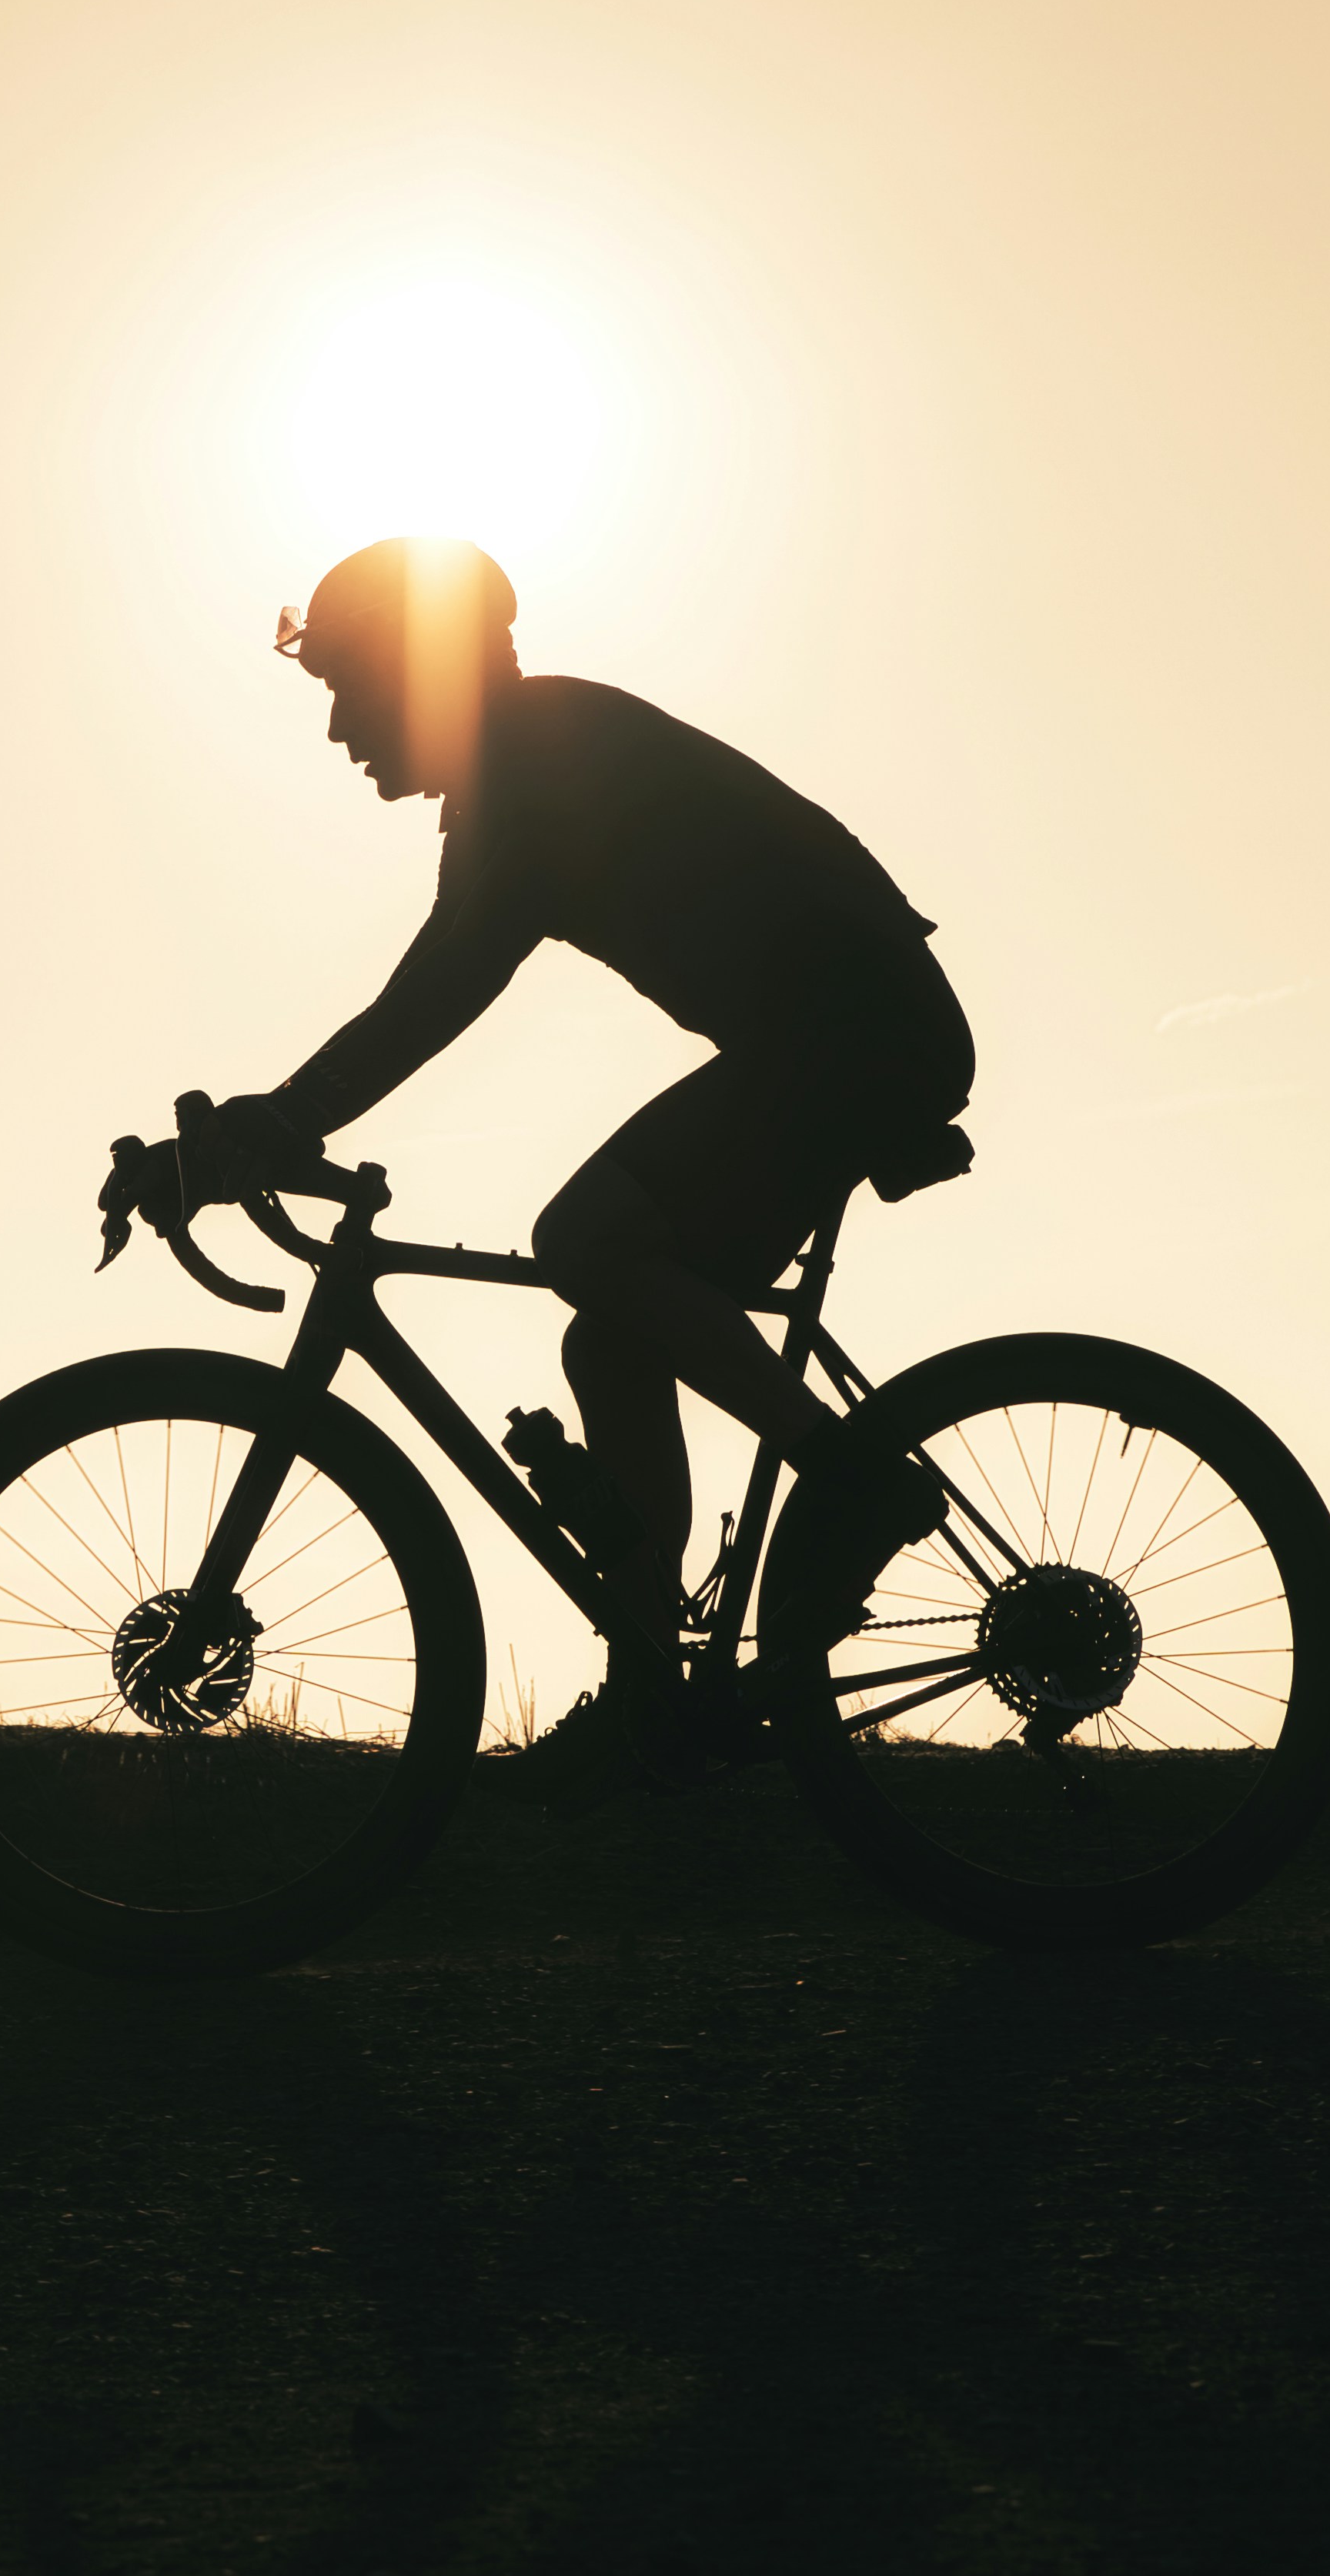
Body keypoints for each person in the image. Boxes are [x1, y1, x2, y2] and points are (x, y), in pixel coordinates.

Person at [192, 537, 967, 1804]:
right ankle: (655, 1696)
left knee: (584, 1243)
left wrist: (278, 1126)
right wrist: (277, 1121)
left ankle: (861, 1486)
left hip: (855, 1038)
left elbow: (437, 991)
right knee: (610, 1337)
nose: (338, 730)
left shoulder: (535, 770)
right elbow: (437, 978)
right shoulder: (527, 761)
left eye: (349, 686)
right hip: (845, 1035)